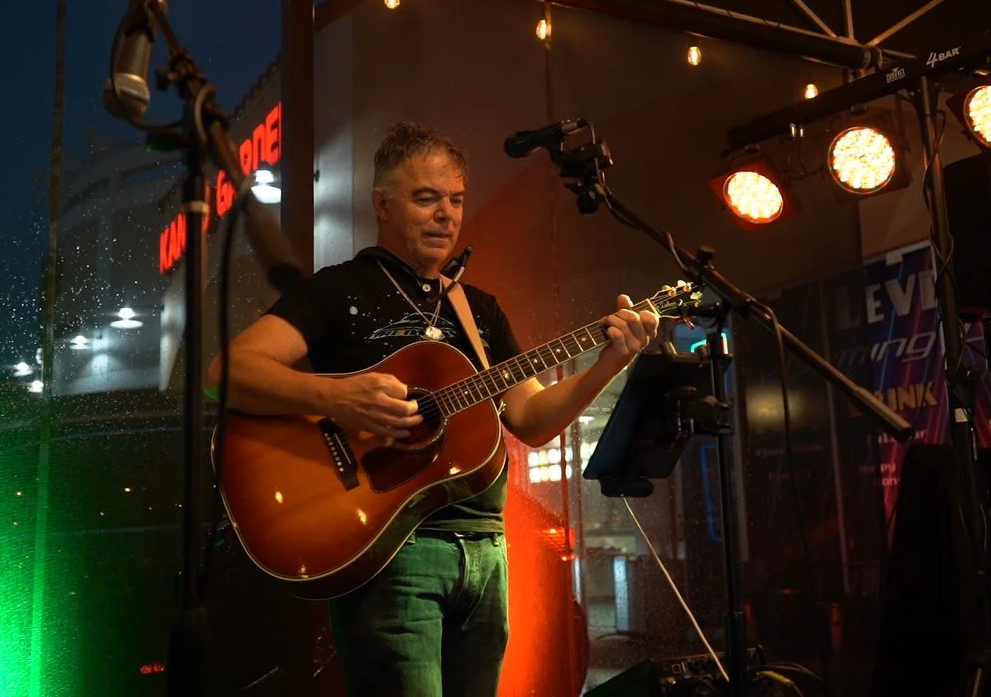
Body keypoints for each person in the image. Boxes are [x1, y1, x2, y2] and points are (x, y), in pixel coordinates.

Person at [206, 121, 658, 696]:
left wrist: (609, 362)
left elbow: (531, 420)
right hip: (395, 551)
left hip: (487, 552)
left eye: (456, 199)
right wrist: (340, 396)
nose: (446, 215)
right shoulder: (339, 290)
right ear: (382, 204)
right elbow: (226, 372)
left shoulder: (479, 310)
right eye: (426, 199)